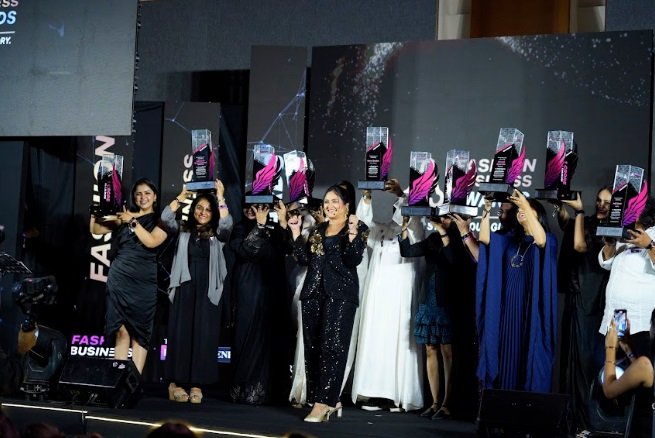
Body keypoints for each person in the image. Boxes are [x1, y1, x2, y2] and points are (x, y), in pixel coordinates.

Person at [288, 184, 368, 422]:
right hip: (313, 294)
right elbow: (304, 260)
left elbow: (353, 259)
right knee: (312, 349)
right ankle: (322, 399)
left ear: (346, 205)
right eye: (326, 202)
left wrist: (352, 233)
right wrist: (295, 232)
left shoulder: (358, 228)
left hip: (341, 296)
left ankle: (325, 402)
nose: (329, 206)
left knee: (333, 348)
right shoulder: (318, 230)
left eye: (335, 201)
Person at [350, 181, 424, 413]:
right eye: (397, 206)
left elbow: (413, 219)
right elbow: (363, 224)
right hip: (378, 299)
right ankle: (374, 392)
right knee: (377, 341)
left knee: (398, 343)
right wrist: (367, 196)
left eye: (403, 205)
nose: (399, 210)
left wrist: (402, 194)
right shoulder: (382, 231)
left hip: (400, 297)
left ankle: (397, 395)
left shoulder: (414, 230)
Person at [476, 190, 558, 392]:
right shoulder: (509, 239)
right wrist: (487, 208)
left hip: (528, 311)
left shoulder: (548, 240)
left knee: (525, 355)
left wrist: (524, 204)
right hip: (506, 309)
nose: (521, 210)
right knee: (504, 353)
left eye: (528, 209)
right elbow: (485, 238)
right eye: (519, 209)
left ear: (538, 215)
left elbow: (540, 240)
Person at [160, 180, 233, 404]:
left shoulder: (218, 234)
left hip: (208, 291)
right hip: (184, 288)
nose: (203, 212)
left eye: (208, 209)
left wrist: (220, 196)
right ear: (193, 210)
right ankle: (175, 384)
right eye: (199, 208)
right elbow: (165, 218)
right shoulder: (183, 229)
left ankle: (196, 384)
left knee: (204, 336)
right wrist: (182, 196)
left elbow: (227, 224)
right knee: (180, 334)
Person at [399, 212, 476, 419]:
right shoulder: (432, 239)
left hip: (447, 302)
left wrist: (443, 231)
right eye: (440, 217)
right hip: (428, 300)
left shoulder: (461, 240)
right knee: (430, 349)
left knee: (447, 352)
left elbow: (453, 260)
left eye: (447, 218)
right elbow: (407, 251)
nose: (443, 221)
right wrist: (404, 227)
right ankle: (434, 402)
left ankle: (447, 403)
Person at [90, 178, 168, 374]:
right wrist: (95, 213)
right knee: (121, 330)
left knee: (140, 333)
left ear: (155, 196)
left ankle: (134, 382)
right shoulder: (124, 215)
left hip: (144, 282)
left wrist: (132, 221)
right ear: (134, 197)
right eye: (138, 194)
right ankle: (118, 380)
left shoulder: (162, 220)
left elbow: (151, 242)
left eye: (147, 193)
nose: (143, 197)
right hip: (119, 279)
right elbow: (96, 230)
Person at [556, 188, 611, 430]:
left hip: (594, 303)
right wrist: (560, 206)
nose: (601, 205)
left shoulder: (612, 230)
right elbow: (568, 226)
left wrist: (578, 211)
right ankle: (570, 416)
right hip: (576, 297)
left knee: (587, 361)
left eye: (607, 202)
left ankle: (585, 420)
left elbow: (580, 245)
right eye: (598, 200)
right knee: (571, 359)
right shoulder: (587, 221)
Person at [228, 200, 293, 405]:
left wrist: (283, 221)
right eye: (248, 206)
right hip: (248, 288)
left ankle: (272, 390)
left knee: (271, 337)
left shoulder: (273, 228)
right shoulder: (239, 228)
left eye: (258, 206)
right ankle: (244, 389)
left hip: (273, 288)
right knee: (246, 334)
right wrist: (260, 225)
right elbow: (247, 250)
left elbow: (290, 247)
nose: (252, 210)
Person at [598, 197, 655, 352]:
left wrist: (649, 245)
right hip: (616, 316)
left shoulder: (653, 233)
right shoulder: (624, 233)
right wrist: (610, 242)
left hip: (639, 321)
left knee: (638, 364)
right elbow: (605, 262)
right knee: (613, 364)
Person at [603, 310, 655, 437]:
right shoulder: (645, 366)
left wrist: (610, 348)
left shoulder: (645, 365)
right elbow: (642, 374)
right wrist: (627, 347)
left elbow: (609, 391)